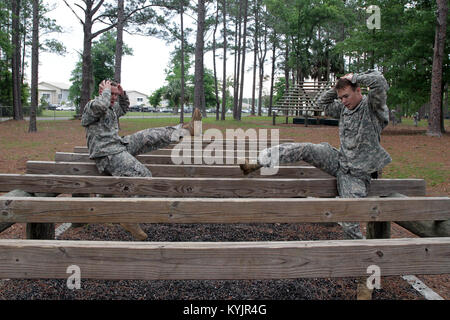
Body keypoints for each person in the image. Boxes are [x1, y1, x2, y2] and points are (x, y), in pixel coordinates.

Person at [240, 69, 391, 239]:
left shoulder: (372, 107)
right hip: (339, 160)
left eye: (346, 96)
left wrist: (353, 78)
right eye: (340, 98)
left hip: (356, 174)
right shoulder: (344, 109)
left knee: (349, 223)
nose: (343, 101)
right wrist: (337, 87)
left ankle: (362, 254)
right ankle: (258, 161)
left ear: (359, 90)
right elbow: (322, 102)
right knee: (305, 148)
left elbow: (380, 82)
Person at [81, 79, 202, 240]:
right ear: (102, 91)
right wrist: (106, 92)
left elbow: (122, 108)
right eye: (112, 94)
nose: (114, 97)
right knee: (144, 177)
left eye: (116, 95)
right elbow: (101, 105)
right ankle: (129, 218)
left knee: (149, 135)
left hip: (119, 145)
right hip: (106, 153)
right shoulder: (92, 106)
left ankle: (186, 130)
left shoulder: (110, 107)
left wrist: (123, 95)